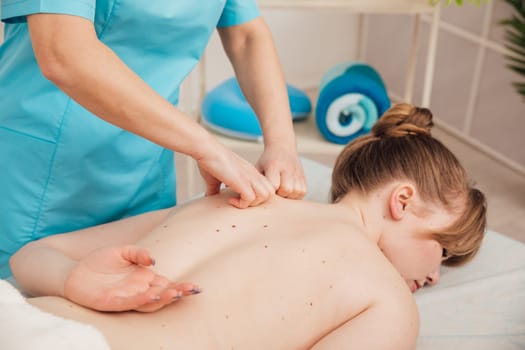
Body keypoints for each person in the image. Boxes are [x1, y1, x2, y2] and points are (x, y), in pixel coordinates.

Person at [10, 103, 487, 349]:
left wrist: (74, 282)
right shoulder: (388, 303)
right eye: (443, 250)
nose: (435, 277)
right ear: (402, 201)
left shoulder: (224, 200)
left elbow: (26, 257)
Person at [0, 1, 307, 280]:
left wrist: (282, 143)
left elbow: (246, 36)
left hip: (144, 167)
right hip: (42, 172)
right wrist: (207, 147)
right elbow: (63, 52)